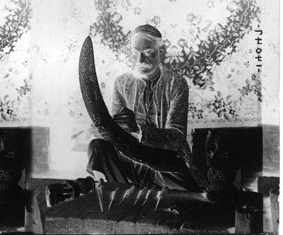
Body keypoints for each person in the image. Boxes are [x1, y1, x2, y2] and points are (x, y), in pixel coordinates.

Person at [86, 24, 206, 191]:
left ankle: (133, 190)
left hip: (166, 167)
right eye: (135, 54)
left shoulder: (176, 83)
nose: (140, 61)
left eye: (148, 53)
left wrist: (138, 130)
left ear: (161, 53)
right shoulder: (122, 83)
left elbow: (177, 138)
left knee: (182, 177)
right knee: (97, 146)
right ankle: (120, 192)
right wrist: (107, 132)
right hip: (132, 161)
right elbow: (118, 132)